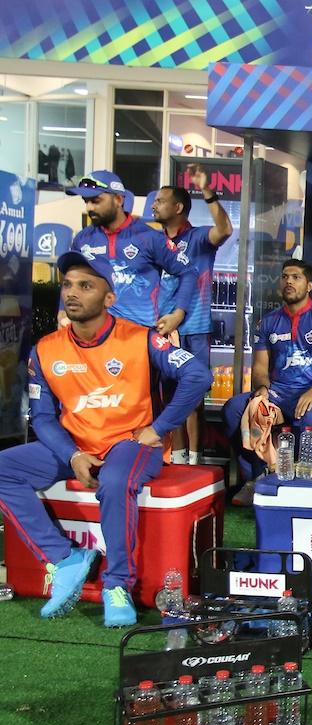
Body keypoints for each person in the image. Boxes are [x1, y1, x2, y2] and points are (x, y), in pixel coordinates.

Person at [0, 251, 209, 626]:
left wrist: (159, 430)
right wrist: (73, 454)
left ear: (109, 298)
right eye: (67, 285)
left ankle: (117, 584)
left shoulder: (140, 338)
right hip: (75, 445)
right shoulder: (46, 350)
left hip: (130, 445)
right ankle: (66, 558)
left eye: (86, 285)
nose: (72, 293)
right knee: (3, 468)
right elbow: (43, 417)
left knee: (114, 480)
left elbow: (197, 376)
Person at [222, 259, 312, 504]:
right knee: (234, 409)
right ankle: (256, 479)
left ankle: (310, 486)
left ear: (309, 285)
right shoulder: (268, 322)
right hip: (279, 393)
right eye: (284, 277)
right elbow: (260, 368)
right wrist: (261, 390)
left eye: (296, 277)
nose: (288, 281)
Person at [151, 172, 234, 465]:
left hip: (194, 329)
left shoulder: (197, 237)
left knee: (193, 399)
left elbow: (224, 229)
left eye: (161, 201)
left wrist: (208, 191)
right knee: (169, 400)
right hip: (159, 332)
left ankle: (195, 463)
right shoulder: (152, 242)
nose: (154, 205)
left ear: (177, 208)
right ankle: (175, 458)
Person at [67, 170, 198, 335]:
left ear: (118, 199)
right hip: (94, 338)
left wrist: (178, 314)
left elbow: (188, 271)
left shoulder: (149, 238)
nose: (89, 208)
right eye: (86, 201)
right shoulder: (82, 239)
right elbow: (70, 279)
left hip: (138, 337)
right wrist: (62, 312)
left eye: (96, 201)